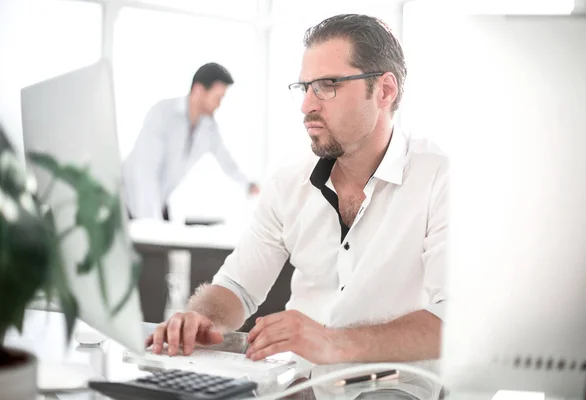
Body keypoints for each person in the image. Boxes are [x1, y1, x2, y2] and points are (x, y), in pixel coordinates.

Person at [147, 14, 448, 365]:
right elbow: (238, 287)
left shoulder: (439, 178)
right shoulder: (288, 182)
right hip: (293, 386)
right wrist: (201, 318)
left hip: (395, 389)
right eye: (305, 87)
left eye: (328, 85)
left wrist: (334, 344)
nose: (307, 105)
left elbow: (457, 319)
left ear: (384, 91)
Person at [123, 62, 260, 220]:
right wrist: (151, 223)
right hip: (127, 201)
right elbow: (146, 173)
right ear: (198, 90)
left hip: (159, 201)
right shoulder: (162, 114)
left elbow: (227, 162)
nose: (219, 104)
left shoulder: (208, 127)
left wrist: (248, 185)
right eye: (217, 98)